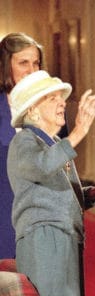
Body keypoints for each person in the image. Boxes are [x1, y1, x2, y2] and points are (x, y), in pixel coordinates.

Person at [7, 70, 95, 296]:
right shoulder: (23, 140)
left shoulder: (52, 143)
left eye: (60, 97)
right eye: (52, 98)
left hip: (65, 236)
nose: (61, 103)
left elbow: (67, 193)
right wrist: (79, 131)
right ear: (32, 109)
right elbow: (43, 166)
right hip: (43, 238)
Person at [0, 32, 44, 258]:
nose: (32, 70)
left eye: (36, 63)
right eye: (23, 63)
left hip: (38, 220)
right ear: (7, 66)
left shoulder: (50, 106)